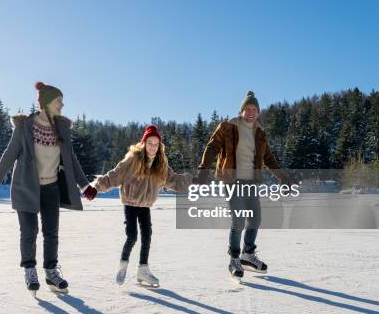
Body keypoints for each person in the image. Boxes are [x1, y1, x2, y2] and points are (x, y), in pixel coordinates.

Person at [0, 82, 98, 295]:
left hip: (51, 187)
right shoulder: (25, 127)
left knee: (51, 232)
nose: (62, 105)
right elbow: (10, 153)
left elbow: (71, 159)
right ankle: (30, 269)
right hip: (26, 186)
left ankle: (51, 271)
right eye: (59, 101)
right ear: (46, 103)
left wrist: (85, 185)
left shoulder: (62, 129)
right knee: (29, 231)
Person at [197, 91, 285, 281]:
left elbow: (268, 158)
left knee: (255, 220)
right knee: (238, 220)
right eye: (248, 108)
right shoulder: (228, 127)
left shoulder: (260, 133)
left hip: (251, 182)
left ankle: (248, 255)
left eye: (255, 109)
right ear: (242, 110)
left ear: (258, 112)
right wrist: (204, 169)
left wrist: (282, 177)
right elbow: (212, 147)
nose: (251, 112)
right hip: (231, 180)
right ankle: (234, 259)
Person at [93, 124, 193, 287]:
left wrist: (192, 179)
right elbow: (114, 176)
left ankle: (143, 270)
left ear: (159, 146)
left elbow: (174, 180)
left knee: (147, 236)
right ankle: (123, 265)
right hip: (130, 203)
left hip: (145, 205)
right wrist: (96, 187)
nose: (153, 147)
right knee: (132, 236)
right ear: (144, 143)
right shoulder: (132, 160)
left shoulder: (161, 165)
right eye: (150, 143)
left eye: (156, 144)